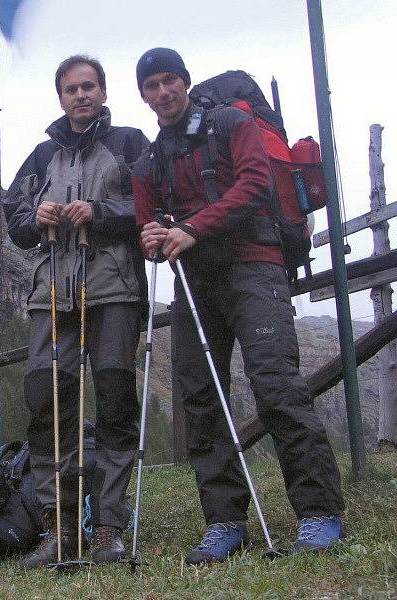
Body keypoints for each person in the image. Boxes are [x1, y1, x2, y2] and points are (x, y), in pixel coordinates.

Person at [132, 48, 345, 565]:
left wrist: (189, 228)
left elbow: (256, 184)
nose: (163, 92)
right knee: (202, 398)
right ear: (142, 95)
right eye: (152, 85)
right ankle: (224, 521)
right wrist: (154, 236)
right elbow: (146, 225)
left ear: (185, 82)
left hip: (255, 265)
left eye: (170, 80)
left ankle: (319, 512)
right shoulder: (147, 160)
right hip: (195, 280)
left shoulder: (231, 123)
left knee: (275, 384)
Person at [3, 55, 149, 566]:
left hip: (114, 291)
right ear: (59, 97)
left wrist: (102, 213)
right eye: (71, 89)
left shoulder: (130, 144)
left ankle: (108, 525)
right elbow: (13, 218)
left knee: (113, 400)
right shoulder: (42, 155)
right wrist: (34, 215)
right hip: (51, 297)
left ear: (104, 92)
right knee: (47, 404)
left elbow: (153, 205)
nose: (80, 95)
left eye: (89, 86)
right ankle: (58, 528)